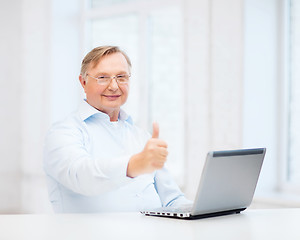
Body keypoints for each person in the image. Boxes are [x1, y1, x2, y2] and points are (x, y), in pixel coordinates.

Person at [43, 46, 190, 213]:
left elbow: (172, 199)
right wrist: (133, 165)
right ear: (83, 82)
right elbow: (81, 176)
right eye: (102, 77)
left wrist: (207, 208)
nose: (114, 86)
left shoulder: (141, 136)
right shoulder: (63, 132)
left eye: (121, 77)